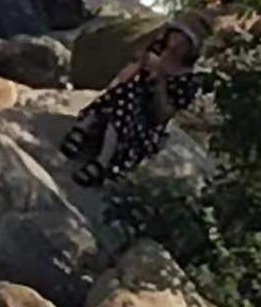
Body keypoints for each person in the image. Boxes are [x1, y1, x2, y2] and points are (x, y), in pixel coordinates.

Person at [59, 11, 212, 187]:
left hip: (145, 122)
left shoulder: (188, 81)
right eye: (176, 34)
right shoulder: (156, 51)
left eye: (183, 40)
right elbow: (126, 75)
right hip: (124, 101)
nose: (176, 42)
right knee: (126, 91)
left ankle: (103, 161)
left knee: (130, 97)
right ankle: (83, 128)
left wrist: (160, 78)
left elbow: (163, 114)